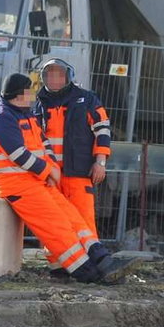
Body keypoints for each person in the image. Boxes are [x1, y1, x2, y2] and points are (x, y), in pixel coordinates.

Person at [0, 73, 140, 284]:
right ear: (19, 96)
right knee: (57, 227)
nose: (33, 94)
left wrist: (51, 168)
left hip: (34, 181)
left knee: (73, 218)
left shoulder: (21, 113)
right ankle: (89, 273)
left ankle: (103, 261)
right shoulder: (1, 118)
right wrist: (48, 171)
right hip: (17, 186)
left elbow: (43, 142)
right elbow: (18, 155)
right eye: (29, 90)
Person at [34, 58, 110, 244]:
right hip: (50, 175)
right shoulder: (38, 103)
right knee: (54, 223)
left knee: (84, 221)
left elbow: (103, 130)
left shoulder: (87, 99)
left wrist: (100, 163)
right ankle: (59, 264)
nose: (54, 79)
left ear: (68, 76)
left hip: (79, 173)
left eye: (59, 74)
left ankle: (93, 261)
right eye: (49, 75)